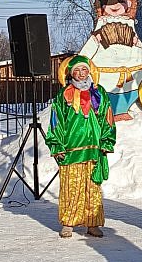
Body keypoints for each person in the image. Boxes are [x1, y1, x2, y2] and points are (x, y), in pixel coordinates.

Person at [45, 55, 116, 238]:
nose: (81, 73)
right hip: (71, 149)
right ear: (71, 73)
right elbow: (56, 122)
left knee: (92, 187)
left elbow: (107, 119)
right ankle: (68, 222)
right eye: (77, 70)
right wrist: (56, 144)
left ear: (89, 71)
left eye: (84, 69)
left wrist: (107, 141)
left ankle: (92, 224)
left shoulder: (98, 92)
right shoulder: (64, 94)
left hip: (93, 148)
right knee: (71, 186)